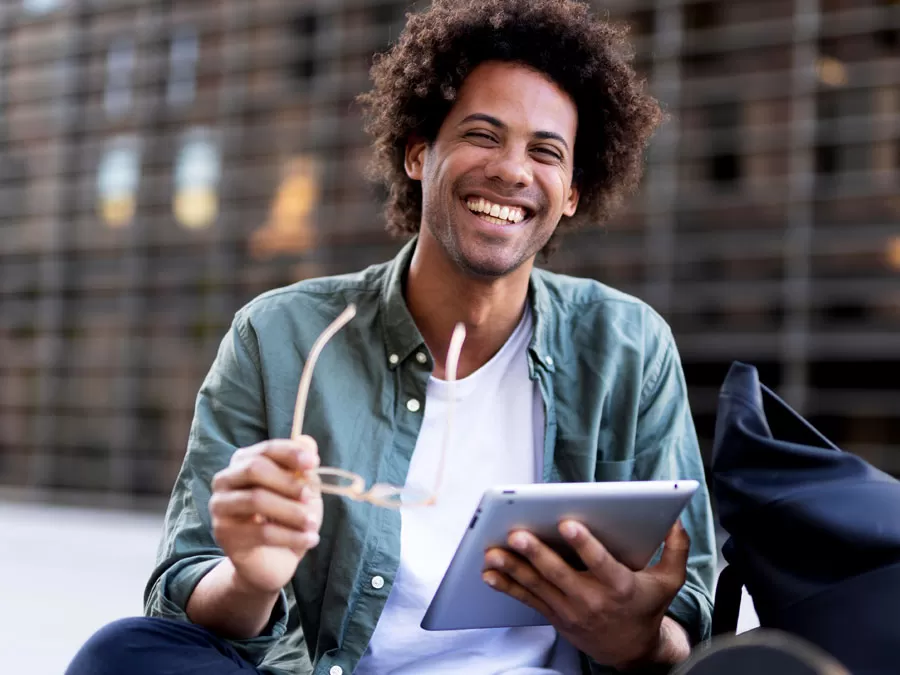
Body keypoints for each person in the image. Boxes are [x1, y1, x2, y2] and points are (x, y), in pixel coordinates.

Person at [66, 0, 716, 673]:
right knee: (123, 654)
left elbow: (688, 608)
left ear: (573, 192)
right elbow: (185, 591)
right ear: (417, 153)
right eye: (483, 135)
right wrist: (252, 580)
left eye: (545, 152)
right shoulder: (281, 336)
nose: (514, 171)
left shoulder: (628, 346)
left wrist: (636, 636)